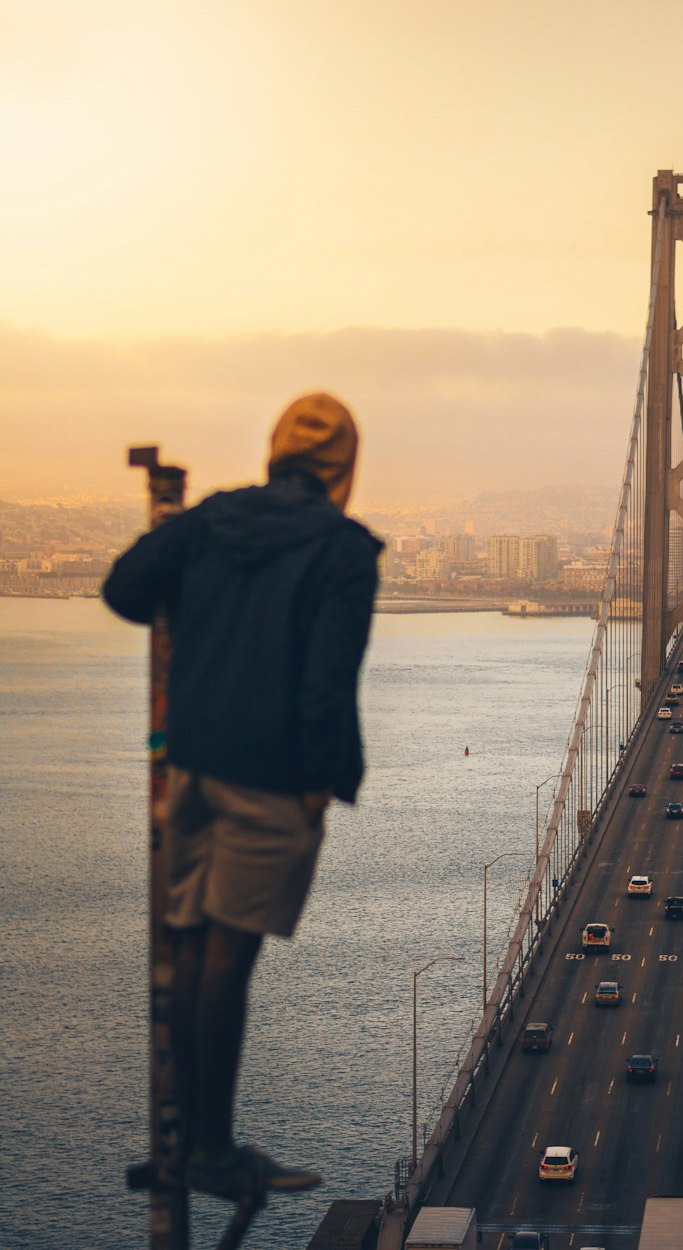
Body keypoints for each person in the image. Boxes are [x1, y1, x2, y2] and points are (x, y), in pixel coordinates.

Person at [103, 392, 382, 1200]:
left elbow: (124, 591)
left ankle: (186, 1142)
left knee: (191, 944)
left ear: (274, 450)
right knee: (231, 954)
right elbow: (329, 684)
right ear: (346, 467)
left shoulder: (212, 520)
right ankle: (214, 1154)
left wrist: (199, 604)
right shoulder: (345, 550)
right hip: (274, 778)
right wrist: (322, 787)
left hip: (188, 766)